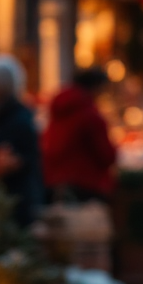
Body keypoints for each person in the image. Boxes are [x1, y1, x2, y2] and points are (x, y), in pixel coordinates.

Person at [0, 54, 44, 228]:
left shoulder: (13, 118)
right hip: (5, 200)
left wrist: (5, 163)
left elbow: (26, 157)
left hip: (14, 201)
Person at [42, 67, 117, 203]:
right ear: (95, 87)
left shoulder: (61, 108)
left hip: (55, 180)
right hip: (86, 184)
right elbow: (107, 155)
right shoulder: (89, 116)